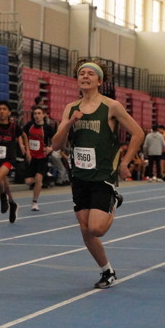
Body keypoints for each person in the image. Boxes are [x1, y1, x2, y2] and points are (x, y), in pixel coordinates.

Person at [50, 61, 143, 288]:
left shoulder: (111, 106)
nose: (85, 76)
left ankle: (114, 200)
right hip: (79, 176)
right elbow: (56, 145)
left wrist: (126, 162)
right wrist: (70, 123)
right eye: (81, 73)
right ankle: (107, 271)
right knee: (85, 229)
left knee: (96, 229)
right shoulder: (70, 108)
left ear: (99, 81)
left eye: (91, 74)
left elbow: (138, 133)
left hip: (103, 175)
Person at [22, 106, 55, 211]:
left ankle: (34, 202)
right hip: (31, 157)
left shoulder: (48, 128)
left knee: (38, 179)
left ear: (43, 115)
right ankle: (42, 180)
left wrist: (51, 148)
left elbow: (56, 140)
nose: (36, 115)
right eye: (35, 113)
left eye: (39, 113)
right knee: (28, 181)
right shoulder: (29, 125)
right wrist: (24, 147)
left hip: (42, 157)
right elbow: (22, 135)